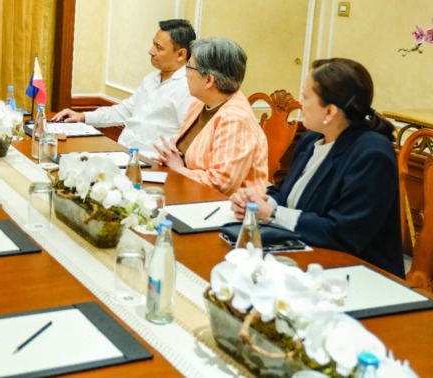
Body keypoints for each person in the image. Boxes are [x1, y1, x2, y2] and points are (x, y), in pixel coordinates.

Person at [230, 58, 404, 277]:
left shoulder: (372, 154)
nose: (300, 102)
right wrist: (258, 202)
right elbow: (286, 193)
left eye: (305, 96)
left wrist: (272, 213)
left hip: (357, 272)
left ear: (329, 112)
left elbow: (344, 233)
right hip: (304, 255)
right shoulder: (312, 138)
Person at [53, 19, 196, 157]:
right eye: (153, 44)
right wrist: (82, 116)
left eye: (158, 48)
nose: (151, 51)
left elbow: (188, 137)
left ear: (180, 54)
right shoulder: (151, 78)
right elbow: (124, 110)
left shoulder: (189, 88)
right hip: (123, 150)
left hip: (152, 160)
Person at [154, 37, 268, 196]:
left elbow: (220, 183)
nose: (185, 74)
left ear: (208, 80)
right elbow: (186, 153)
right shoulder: (201, 102)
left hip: (226, 204)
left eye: (189, 67)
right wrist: (170, 157)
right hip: (189, 192)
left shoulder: (235, 119)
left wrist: (178, 168)